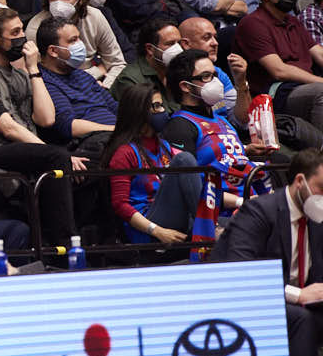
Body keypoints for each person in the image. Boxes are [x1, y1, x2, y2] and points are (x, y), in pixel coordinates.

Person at [0, 7, 78, 245]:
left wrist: (33, 70)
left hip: (24, 148)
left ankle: (94, 243)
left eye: (22, 30)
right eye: (15, 32)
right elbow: (7, 128)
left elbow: (46, 119)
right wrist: (52, 152)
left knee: (88, 164)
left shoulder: (19, 75)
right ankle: (64, 247)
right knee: (57, 157)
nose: (23, 38)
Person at [212, 147, 323, 356]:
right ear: (300, 182)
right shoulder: (259, 212)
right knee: (301, 318)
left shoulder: (316, 216)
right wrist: (298, 295)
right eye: (321, 188)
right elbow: (239, 275)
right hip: (248, 300)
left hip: (300, 300)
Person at [163, 49, 263, 212]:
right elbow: (190, 186)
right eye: (206, 76)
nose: (215, 82)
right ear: (185, 86)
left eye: (214, 75)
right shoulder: (180, 126)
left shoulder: (222, 120)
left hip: (250, 203)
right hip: (218, 213)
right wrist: (241, 202)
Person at [101, 83, 200, 245]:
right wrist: (157, 231)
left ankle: (209, 226)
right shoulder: (124, 153)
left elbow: (193, 185)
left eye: (162, 105)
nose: (163, 111)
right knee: (185, 160)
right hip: (148, 226)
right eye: (157, 106)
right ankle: (208, 227)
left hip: (172, 214)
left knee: (231, 223)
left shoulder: (164, 146)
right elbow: (120, 205)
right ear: (139, 111)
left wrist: (239, 201)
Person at [235, 0, 323, 130]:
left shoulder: (292, 21)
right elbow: (279, 71)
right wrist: (320, 81)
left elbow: (318, 53)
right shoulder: (252, 24)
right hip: (277, 93)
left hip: (305, 86)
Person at [26, 0, 127, 88]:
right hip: (58, 88)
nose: (59, 3)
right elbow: (40, 76)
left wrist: (106, 86)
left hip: (98, 84)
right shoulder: (35, 29)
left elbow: (117, 62)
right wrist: (98, 71)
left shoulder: (95, 16)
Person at [35, 16, 118, 144]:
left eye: (79, 38)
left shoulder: (82, 75)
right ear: (53, 51)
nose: (80, 44)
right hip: (92, 143)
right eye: (73, 40)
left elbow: (115, 108)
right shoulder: (44, 82)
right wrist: (116, 130)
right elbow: (68, 126)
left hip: (117, 137)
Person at [112, 17, 184, 103]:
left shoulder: (178, 72)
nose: (178, 48)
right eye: (170, 44)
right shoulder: (130, 80)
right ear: (150, 49)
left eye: (179, 43)